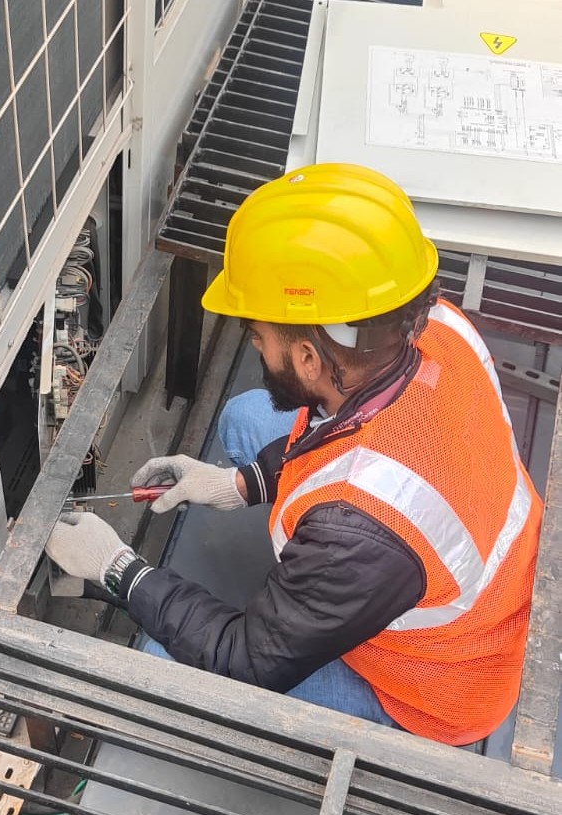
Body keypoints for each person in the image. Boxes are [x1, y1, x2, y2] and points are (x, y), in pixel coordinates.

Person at [47, 163, 542, 746]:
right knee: (243, 417)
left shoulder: (357, 537)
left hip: (431, 686)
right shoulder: (431, 327)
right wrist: (239, 484)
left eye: (257, 337)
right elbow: (345, 436)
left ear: (310, 358)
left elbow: (242, 659)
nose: (253, 344)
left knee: (161, 655)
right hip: (451, 548)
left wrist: (118, 569)